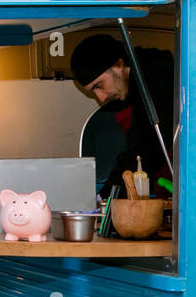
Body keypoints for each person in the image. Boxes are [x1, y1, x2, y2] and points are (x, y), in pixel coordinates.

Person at [70, 34, 174, 197]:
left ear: (118, 64)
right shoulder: (134, 88)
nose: (101, 98)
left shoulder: (157, 82)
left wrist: (107, 197)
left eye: (99, 85)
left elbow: (145, 150)